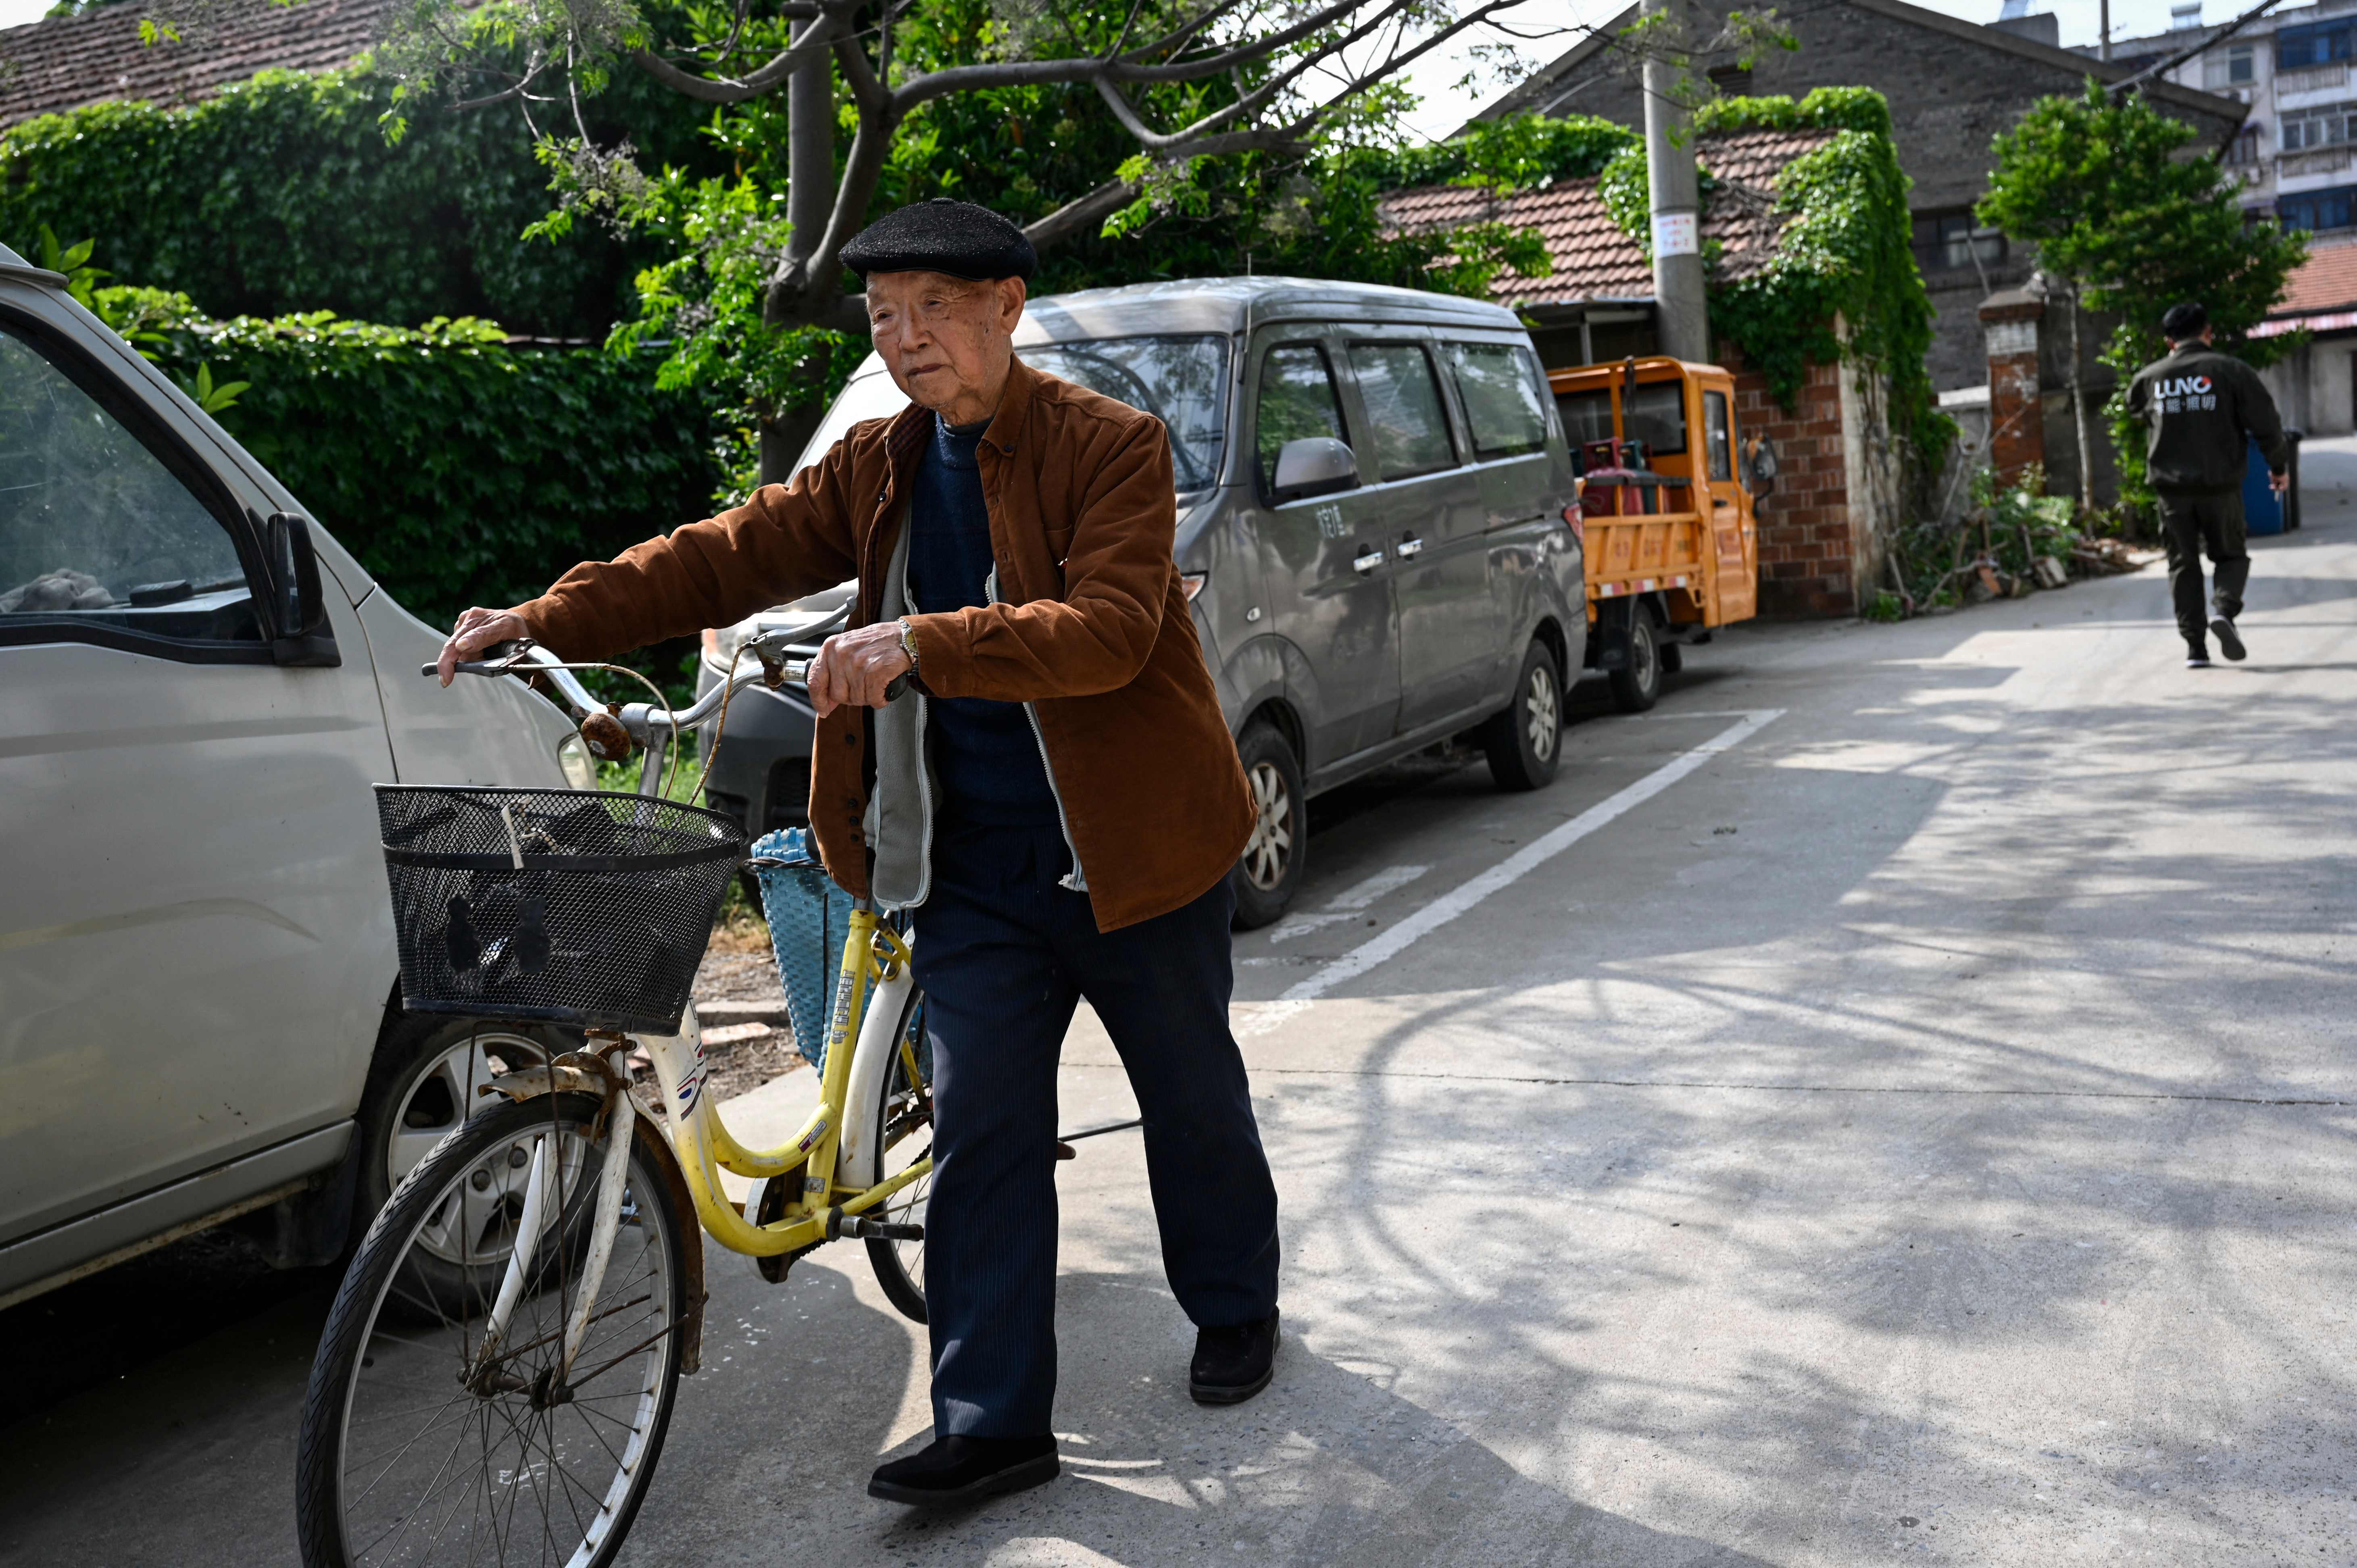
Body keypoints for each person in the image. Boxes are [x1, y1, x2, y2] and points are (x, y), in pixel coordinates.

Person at [435, 199, 1282, 1508]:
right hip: (969, 868)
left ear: (1006, 307)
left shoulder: (1113, 446)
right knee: (984, 1126)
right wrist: (550, 613)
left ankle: (1232, 1302)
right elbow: (728, 551)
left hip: (1133, 854)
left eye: (933, 307)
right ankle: (994, 1417)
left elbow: (1110, 627)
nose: (905, 338)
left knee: (1188, 1093)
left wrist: (923, 641)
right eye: (884, 315)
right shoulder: (879, 464)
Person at [2124, 302, 2290, 668]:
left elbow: (2134, 411)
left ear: (2170, 342)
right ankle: (2224, 612)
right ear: (2207, 332)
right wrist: (2278, 466)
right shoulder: (2230, 372)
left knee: (2183, 564)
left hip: (2171, 492)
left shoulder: (2149, 379)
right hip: (2219, 486)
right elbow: (2266, 423)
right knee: (2230, 555)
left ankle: (2195, 648)